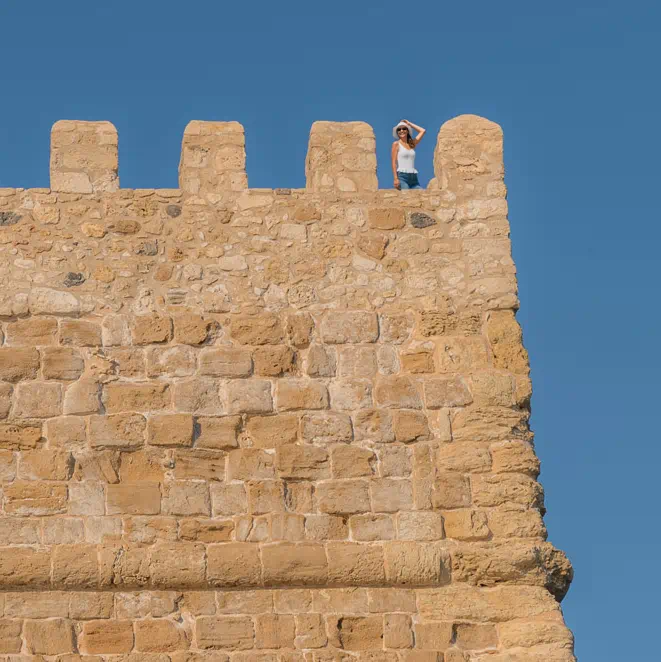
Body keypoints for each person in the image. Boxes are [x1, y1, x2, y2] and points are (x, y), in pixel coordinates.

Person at [391, 119, 426, 190]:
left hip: (414, 178)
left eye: (404, 128)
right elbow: (394, 162)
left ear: (407, 131)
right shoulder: (396, 144)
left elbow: (423, 131)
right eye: (399, 129)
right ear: (397, 132)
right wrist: (395, 178)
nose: (401, 131)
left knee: (420, 194)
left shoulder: (412, 144)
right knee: (406, 197)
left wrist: (409, 124)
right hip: (402, 177)